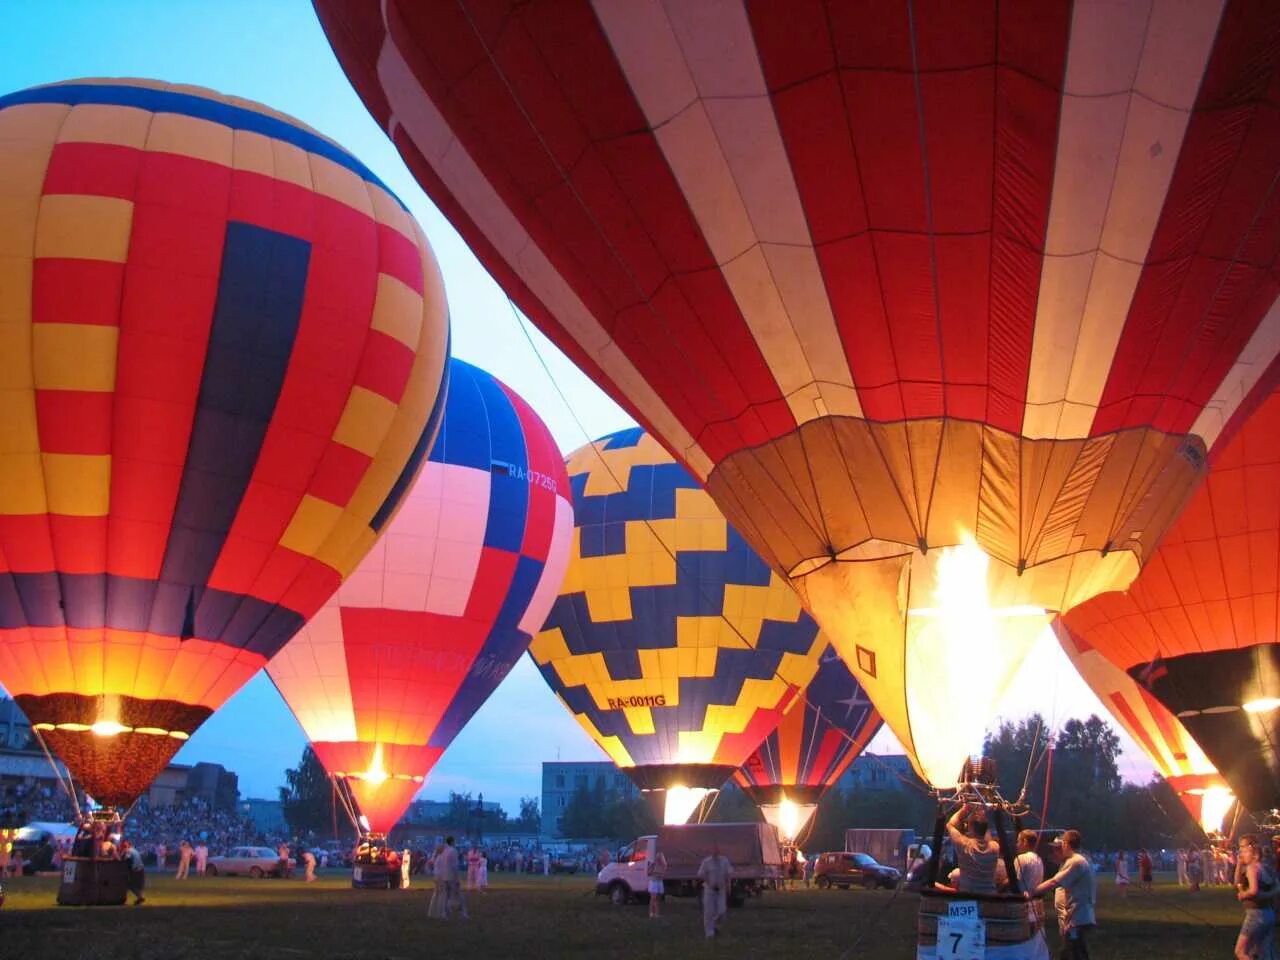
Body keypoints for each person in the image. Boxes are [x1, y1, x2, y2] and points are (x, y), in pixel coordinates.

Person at [1030, 829, 1096, 960]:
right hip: (1075, 916)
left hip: (1077, 916)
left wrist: (1032, 891)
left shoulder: (1076, 861)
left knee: (1073, 952)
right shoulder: (1077, 860)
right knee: (1074, 951)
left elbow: (1054, 881)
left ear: (1066, 844)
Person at [945, 802, 1001, 894]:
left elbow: (950, 825)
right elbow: (985, 833)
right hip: (990, 898)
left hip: (969, 897)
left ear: (971, 827)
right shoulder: (995, 847)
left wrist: (964, 809)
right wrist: (981, 812)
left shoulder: (965, 845)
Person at [1235, 834, 1275, 960]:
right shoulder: (1266, 867)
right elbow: (1277, 887)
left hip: (1255, 915)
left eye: (1243, 849)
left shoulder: (1252, 868)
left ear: (1251, 851)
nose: (1241, 853)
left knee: (1241, 952)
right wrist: (1238, 864)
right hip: (1269, 913)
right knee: (1263, 952)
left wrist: (1243, 895)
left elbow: (1253, 890)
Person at [697, 843, 733, 939]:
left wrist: (729, 885)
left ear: (719, 851)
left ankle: (715, 925)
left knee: (722, 911)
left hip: (721, 890)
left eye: (717, 850)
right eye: (713, 850)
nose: (715, 852)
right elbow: (700, 874)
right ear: (711, 851)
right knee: (709, 912)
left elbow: (728, 873)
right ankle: (709, 933)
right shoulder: (706, 862)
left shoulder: (724, 861)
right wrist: (708, 881)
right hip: (710, 890)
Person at [120, 840, 145, 906]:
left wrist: (122, 854)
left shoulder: (128, 851)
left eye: (124, 846)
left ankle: (125, 900)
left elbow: (126, 859)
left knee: (129, 885)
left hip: (135, 869)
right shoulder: (134, 850)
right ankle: (140, 897)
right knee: (137, 885)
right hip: (141, 869)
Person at [428, 843, 450, 919]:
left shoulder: (436, 857)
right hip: (442, 877)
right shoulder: (443, 857)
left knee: (436, 894)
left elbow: (430, 863)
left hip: (436, 876)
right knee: (442, 895)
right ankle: (441, 913)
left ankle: (432, 912)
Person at [647, 848, 668, 919]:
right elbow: (648, 873)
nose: (659, 857)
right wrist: (654, 872)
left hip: (659, 881)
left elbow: (663, 874)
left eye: (660, 856)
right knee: (653, 898)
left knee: (657, 898)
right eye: (658, 856)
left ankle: (656, 913)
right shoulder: (653, 864)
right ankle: (651, 913)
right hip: (653, 882)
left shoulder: (663, 865)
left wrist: (660, 874)